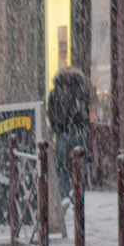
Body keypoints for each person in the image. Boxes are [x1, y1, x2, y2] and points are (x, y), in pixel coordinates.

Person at [47, 68, 91, 202]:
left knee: (61, 167)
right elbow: (85, 112)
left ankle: (65, 194)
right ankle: (78, 194)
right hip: (80, 132)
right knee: (80, 165)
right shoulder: (81, 91)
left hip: (62, 133)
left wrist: (56, 128)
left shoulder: (55, 92)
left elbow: (51, 113)